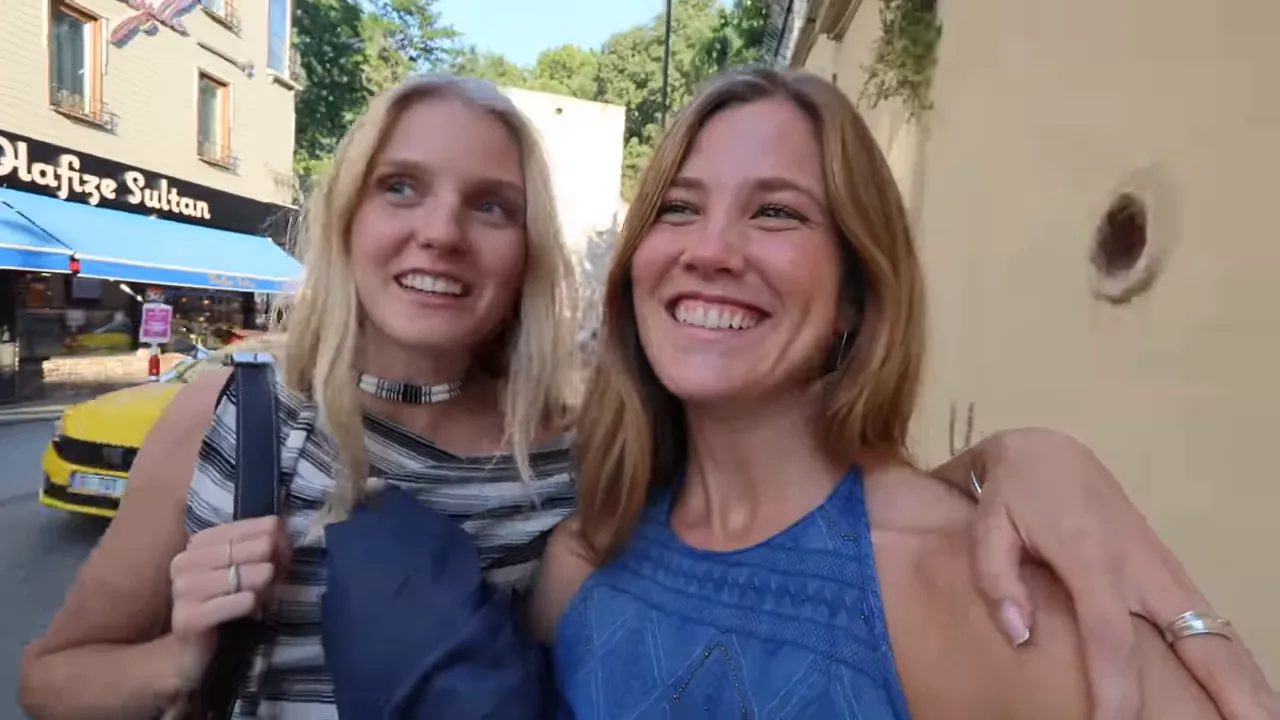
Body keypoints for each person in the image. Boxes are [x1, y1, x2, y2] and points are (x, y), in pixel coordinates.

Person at [17, 74, 1274, 719]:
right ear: (345, 217)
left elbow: (837, 540)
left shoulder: (579, 482)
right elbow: (53, 675)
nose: (440, 232)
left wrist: (1015, 460)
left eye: (492, 205)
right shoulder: (243, 422)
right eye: (678, 206)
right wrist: (178, 658)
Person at [534, 69, 1278, 719]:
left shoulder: (972, 588)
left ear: (856, 292)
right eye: (679, 207)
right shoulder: (586, 556)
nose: (709, 250)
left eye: (777, 212)